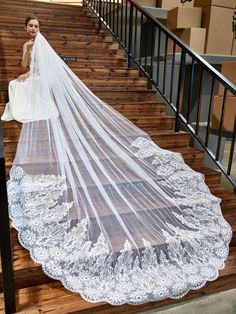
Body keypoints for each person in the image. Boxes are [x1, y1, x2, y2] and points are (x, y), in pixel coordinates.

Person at [4, 17, 232, 305]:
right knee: (20, 82)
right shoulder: (28, 45)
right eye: (31, 27)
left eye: (36, 26)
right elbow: (26, 67)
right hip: (32, 76)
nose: (34, 30)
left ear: (39, 28)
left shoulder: (46, 45)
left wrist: (32, 71)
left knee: (26, 86)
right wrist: (26, 56)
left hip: (43, 81)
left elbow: (49, 73)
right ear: (26, 29)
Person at [1, 17, 39, 122]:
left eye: (36, 26)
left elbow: (43, 67)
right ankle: (19, 110)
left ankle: (27, 110)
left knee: (19, 84)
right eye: (30, 25)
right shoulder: (26, 44)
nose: (33, 28)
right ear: (25, 28)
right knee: (13, 83)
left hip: (41, 75)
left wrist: (28, 74)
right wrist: (27, 50)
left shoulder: (41, 44)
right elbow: (23, 65)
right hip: (33, 73)